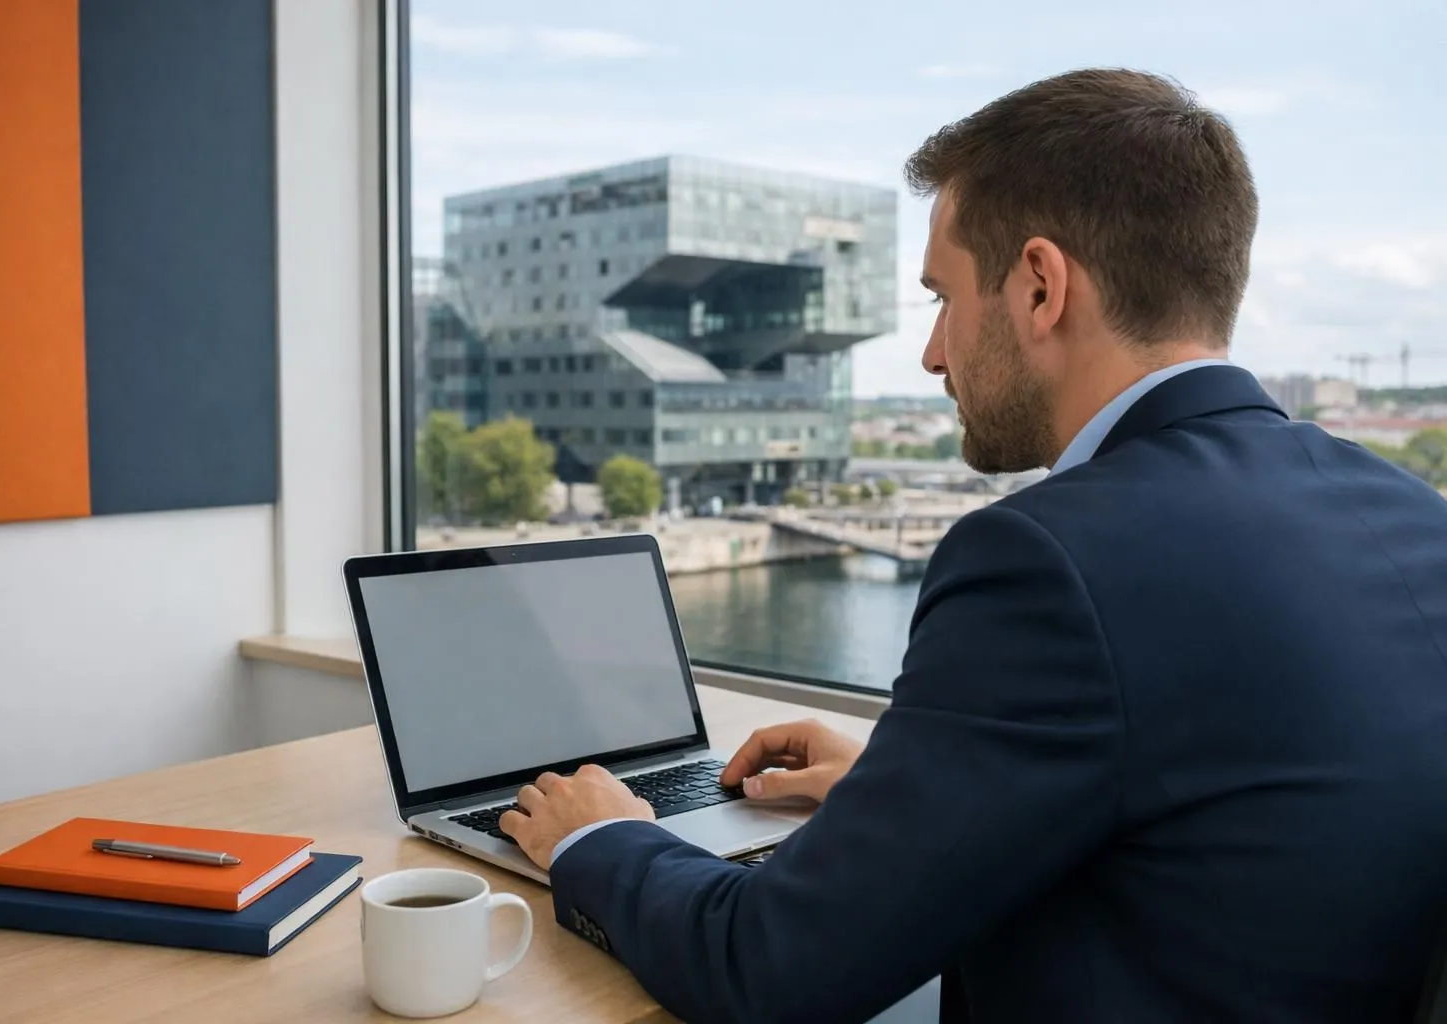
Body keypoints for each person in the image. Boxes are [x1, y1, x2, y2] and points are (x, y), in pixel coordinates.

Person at [499, 68, 1447, 1023]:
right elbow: (1220, 814)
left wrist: (604, 840)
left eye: (941, 299)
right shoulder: (1412, 515)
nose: (933, 354)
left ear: (1040, 286)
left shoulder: (1048, 559)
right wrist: (898, 790)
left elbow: (769, 972)